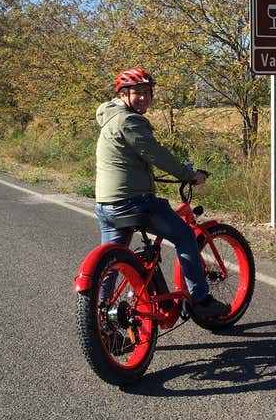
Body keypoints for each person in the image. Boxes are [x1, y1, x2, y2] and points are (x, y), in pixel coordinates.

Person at [94, 67, 229, 318]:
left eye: (147, 92)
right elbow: (156, 154)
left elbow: (131, 159)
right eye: (137, 92)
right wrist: (188, 175)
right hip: (133, 202)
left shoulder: (110, 117)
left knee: (110, 264)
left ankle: (101, 315)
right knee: (186, 235)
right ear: (123, 94)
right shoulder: (129, 121)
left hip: (106, 204)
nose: (144, 97)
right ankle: (201, 300)